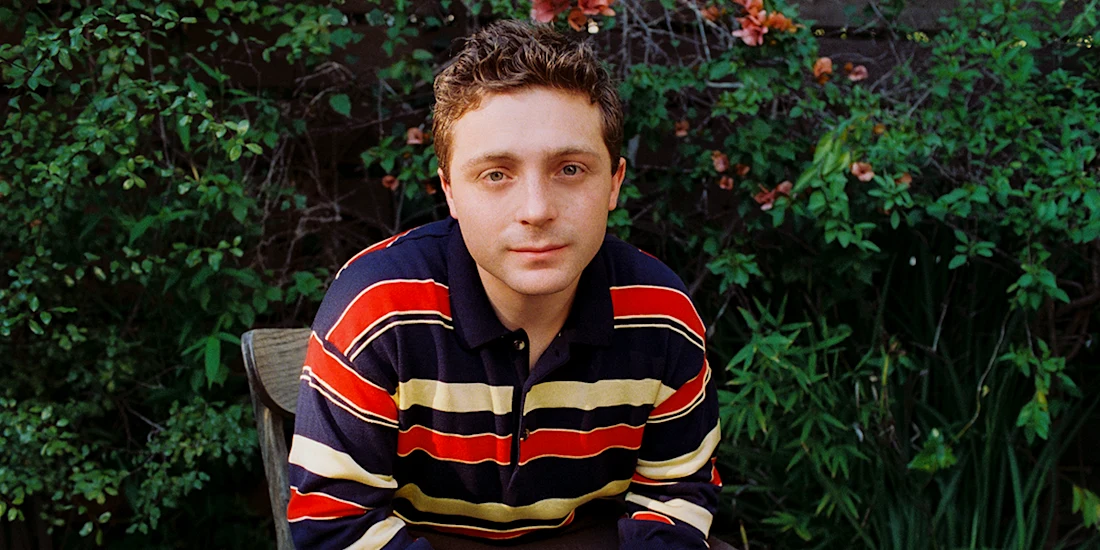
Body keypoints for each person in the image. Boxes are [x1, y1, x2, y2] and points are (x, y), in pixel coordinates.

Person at [288, 19, 725, 550]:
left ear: (614, 182)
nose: (536, 210)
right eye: (496, 174)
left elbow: (675, 498)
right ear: (450, 190)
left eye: (570, 169)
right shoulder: (380, 310)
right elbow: (337, 525)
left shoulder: (660, 313)